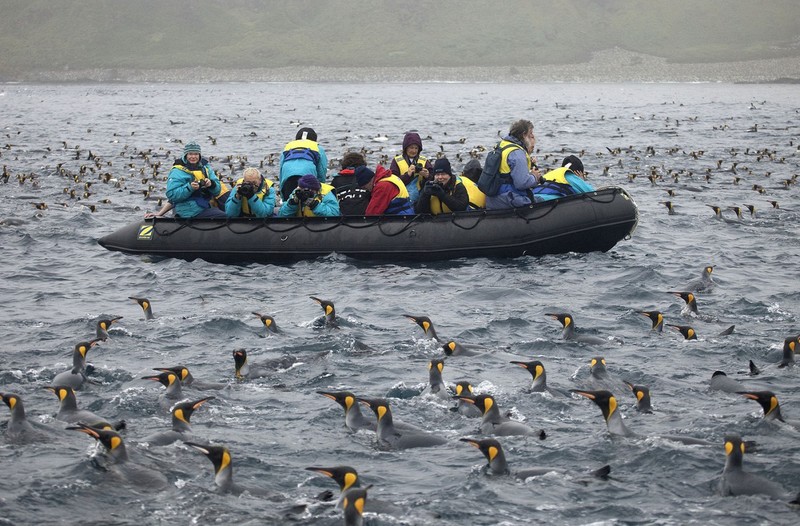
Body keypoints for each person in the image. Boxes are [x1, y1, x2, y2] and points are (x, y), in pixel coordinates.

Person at [485, 119, 542, 210]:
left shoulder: (502, 145)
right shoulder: (517, 153)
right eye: (531, 134)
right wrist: (535, 177)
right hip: (509, 199)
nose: (533, 136)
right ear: (524, 135)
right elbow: (521, 183)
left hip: (492, 200)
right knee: (542, 200)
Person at [165, 141, 227, 218]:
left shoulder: (205, 168)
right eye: (190, 154)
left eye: (196, 154)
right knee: (224, 217)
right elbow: (172, 195)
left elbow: (217, 191)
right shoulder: (177, 171)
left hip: (203, 206)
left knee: (227, 211)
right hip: (188, 210)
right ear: (185, 155)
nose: (193, 156)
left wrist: (211, 184)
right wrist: (189, 187)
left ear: (199, 155)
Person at [278, 127, 328, 201]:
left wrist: (282, 195)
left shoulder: (287, 147)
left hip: (288, 176)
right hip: (307, 176)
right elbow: (322, 171)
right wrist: (320, 189)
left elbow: (281, 170)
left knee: (288, 203)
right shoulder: (317, 148)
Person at [390, 132, 433, 204]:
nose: (414, 151)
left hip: (421, 197)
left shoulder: (424, 161)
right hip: (402, 196)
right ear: (406, 148)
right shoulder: (396, 161)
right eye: (411, 148)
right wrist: (407, 175)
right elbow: (392, 182)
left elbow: (434, 178)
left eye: (416, 148)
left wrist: (427, 176)